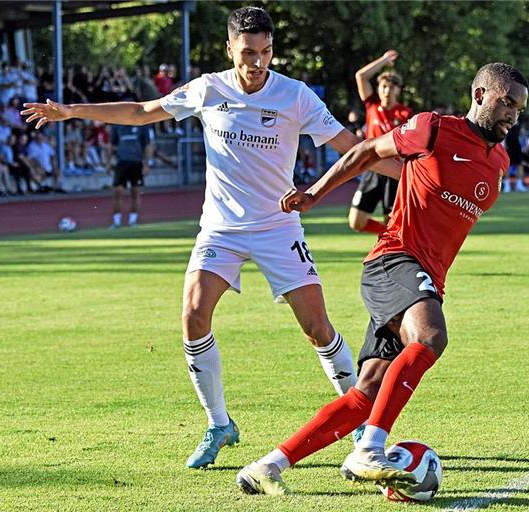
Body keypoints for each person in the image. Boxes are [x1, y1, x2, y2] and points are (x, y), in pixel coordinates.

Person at [21, 6, 400, 470]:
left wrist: (416, 173)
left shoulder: (295, 96)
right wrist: (71, 111)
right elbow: (143, 112)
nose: (257, 62)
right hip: (219, 228)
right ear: (229, 50)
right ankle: (219, 423)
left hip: (278, 226)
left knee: (317, 327)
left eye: (265, 52)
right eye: (247, 53)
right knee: (193, 315)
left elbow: (353, 150)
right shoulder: (207, 89)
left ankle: (357, 416)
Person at [236, 62, 528, 496]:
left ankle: (268, 465)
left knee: (366, 394)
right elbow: (367, 152)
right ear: (481, 95)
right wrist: (314, 194)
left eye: (520, 109)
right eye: (506, 102)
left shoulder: (499, 160)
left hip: (423, 277)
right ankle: (369, 448)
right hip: (393, 260)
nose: (512, 114)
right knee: (430, 338)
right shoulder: (432, 128)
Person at [348, 50, 412, 235]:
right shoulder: (372, 106)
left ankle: (393, 244)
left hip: (394, 172)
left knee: (392, 221)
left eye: (392, 87)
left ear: (398, 90)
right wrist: (383, 60)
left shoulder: (406, 114)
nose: (387, 91)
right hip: (372, 169)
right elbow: (360, 76)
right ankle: (389, 237)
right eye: (383, 86)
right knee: (356, 221)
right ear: (378, 88)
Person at [109, 120, 154, 228]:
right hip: (121, 162)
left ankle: (132, 221)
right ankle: (116, 221)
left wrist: (147, 164)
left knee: (136, 192)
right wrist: (108, 161)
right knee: (117, 192)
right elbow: (112, 144)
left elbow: (147, 145)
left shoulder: (142, 125)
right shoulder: (117, 125)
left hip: (136, 162)